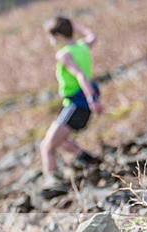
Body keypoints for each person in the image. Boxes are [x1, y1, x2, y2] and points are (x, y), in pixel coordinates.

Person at [39, 17, 103, 197]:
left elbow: (80, 75)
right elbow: (92, 35)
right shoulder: (83, 46)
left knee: (46, 147)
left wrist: (93, 99)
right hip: (76, 105)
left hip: (76, 104)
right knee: (61, 140)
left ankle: (52, 182)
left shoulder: (64, 54)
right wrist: (75, 27)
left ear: (57, 35)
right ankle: (90, 161)